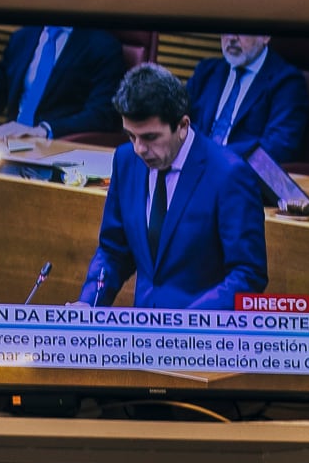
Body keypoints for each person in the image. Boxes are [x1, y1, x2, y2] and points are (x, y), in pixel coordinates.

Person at [77, 63, 269, 312]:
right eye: (131, 136)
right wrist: (88, 302)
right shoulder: (126, 161)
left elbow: (248, 274)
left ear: (182, 126)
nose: (139, 149)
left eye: (150, 137)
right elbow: (113, 250)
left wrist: (184, 326)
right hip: (144, 334)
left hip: (203, 340)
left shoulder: (229, 175)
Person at [0, 21, 128, 142]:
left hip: (57, 147)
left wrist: (43, 130)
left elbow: (101, 115)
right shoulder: (23, 37)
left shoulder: (102, 46)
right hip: (9, 140)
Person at [187, 33, 309, 175]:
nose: (232, 38)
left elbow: (280, 147)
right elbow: (179, 121)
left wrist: (214, 156)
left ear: (265, 36)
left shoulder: (286, 82)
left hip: (240, 178)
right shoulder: (206, 71)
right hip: (193, 171)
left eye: (242, 30)